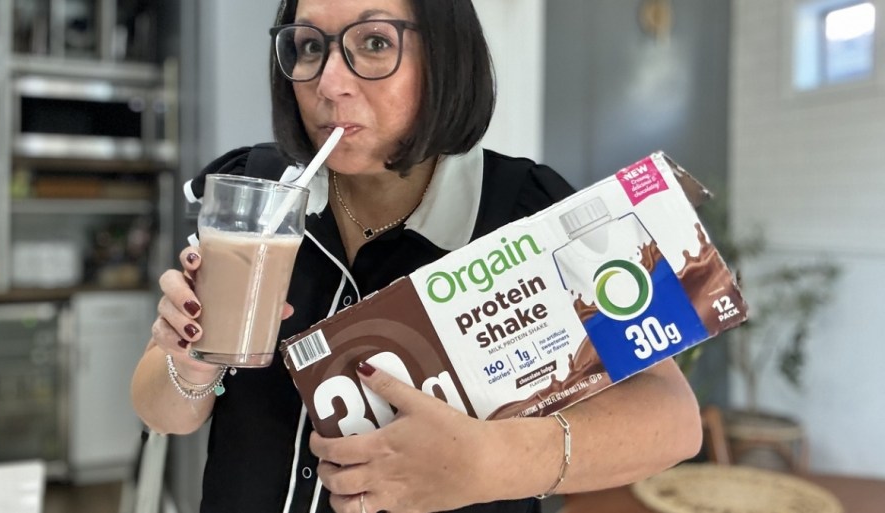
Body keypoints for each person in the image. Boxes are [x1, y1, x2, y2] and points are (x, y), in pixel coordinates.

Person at [131, 1, 703, 512]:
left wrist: (493, 461)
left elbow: (674, 420)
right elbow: (161, 411)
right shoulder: (253, 190)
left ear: (446, 59)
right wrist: (190, 362)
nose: (329, 83)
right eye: (309, 46)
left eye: (374, 43)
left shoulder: (536, 211)